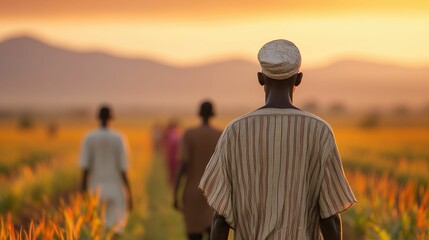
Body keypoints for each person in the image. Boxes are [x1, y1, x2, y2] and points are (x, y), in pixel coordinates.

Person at [199, 39, 357, 239]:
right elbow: (330, 218)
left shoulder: (235, 131)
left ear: (260, 78)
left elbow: (220, 217)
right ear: (298, 79)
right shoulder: (320, 131)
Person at [79, 105, 133, 234]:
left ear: (98, 118)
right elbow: (123, 169)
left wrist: (83, 193)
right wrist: (129, 193)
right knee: (115, 229)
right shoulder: (119, 138)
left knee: (96, 230)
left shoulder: (89, 138)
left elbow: (85, 169)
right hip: (116, 189)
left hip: (95, 190)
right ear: (111, 118)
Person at [174, 101, 222, 240]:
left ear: (199, 114)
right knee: (213, 233)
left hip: (192, 193)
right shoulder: (220, 134)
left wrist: (175, 194)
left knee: (194, 235)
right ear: (213, 114)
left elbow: (183, 165)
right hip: (214, 194)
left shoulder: (189, 134)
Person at [164, 118, 181, 187]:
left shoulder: (169, 134)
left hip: (170, 157)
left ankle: (172, 188)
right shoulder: (178, 134)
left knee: (171, 174)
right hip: (177, 158)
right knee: (176, 174)